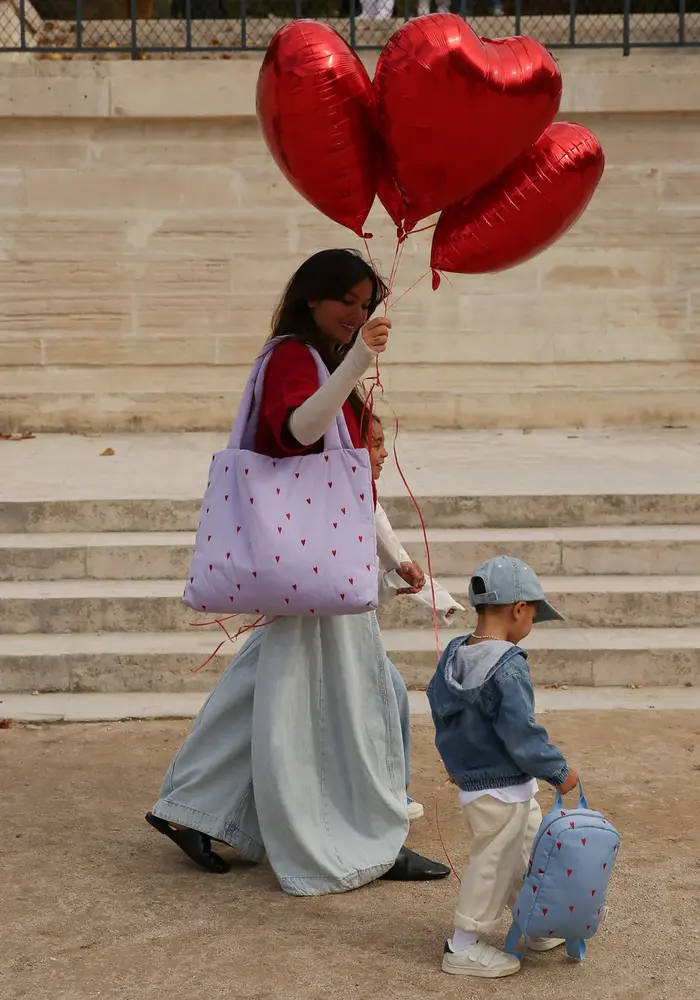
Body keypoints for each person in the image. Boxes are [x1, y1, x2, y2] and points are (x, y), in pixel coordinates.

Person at [146, 248, 449, 894]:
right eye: (348, 300)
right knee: (354, 697)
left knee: (273, 685)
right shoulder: (293, 357)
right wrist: (361, 361)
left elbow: (348, 485)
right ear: (314, 297)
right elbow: (297, 429)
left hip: (315, 563)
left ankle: (189, 804)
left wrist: (394, 557)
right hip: (316, 570)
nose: (358, 314)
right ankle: (368, 836)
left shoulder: (328, 363)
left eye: (367, 304)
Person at [426, 555, 580, 978]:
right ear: (518, 609)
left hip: (483, 784)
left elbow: (442, 710)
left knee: (524, 856)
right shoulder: (508, 666)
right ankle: (463, 945)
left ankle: (533, 921)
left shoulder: (455, 654)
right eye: (533, 614)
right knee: (493, 863)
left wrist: (457, 761)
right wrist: (559, 772)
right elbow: (523, 736)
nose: (531, 622)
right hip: (505, 786)